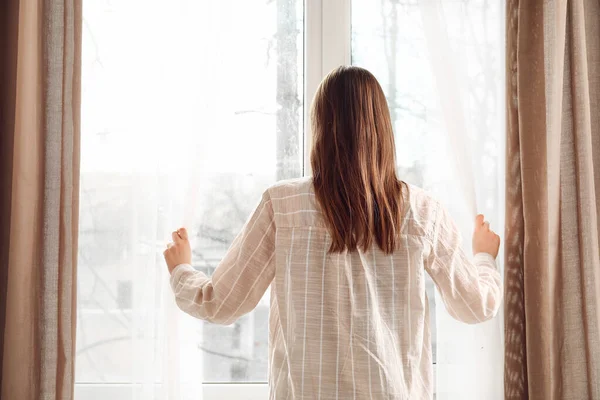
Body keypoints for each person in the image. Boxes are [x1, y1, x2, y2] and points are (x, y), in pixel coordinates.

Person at [163, 66, 502, 400]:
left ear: (321, 130)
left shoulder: (282, 205)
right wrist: (484, 258)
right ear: (383, 129)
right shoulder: (423, 212)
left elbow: (221, 304)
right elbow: (475, 306)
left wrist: (181, 272)